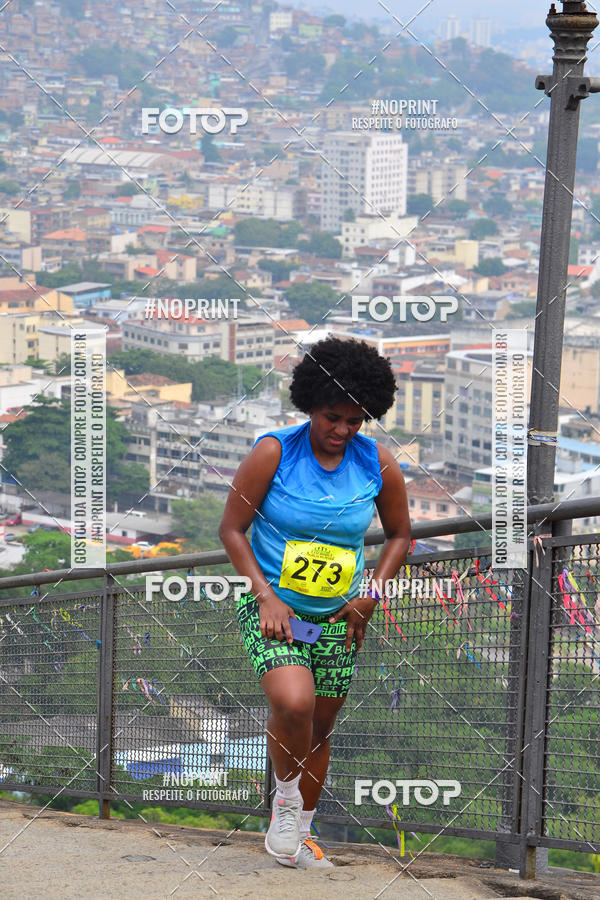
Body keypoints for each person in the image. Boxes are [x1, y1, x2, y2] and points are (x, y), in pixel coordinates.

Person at [218, 337, 411, 869]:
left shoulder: (377, 462)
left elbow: (400, 535)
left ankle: (300, 838)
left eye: (355, 420)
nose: (343, 430)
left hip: (338, 619)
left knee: (319, 729)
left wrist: (370, 596)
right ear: (310, 405)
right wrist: (265, 597)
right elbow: (232, 529)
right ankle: (284, 803)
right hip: (275, 610)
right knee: (294, 704)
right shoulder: (274, 452)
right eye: (332, 417)